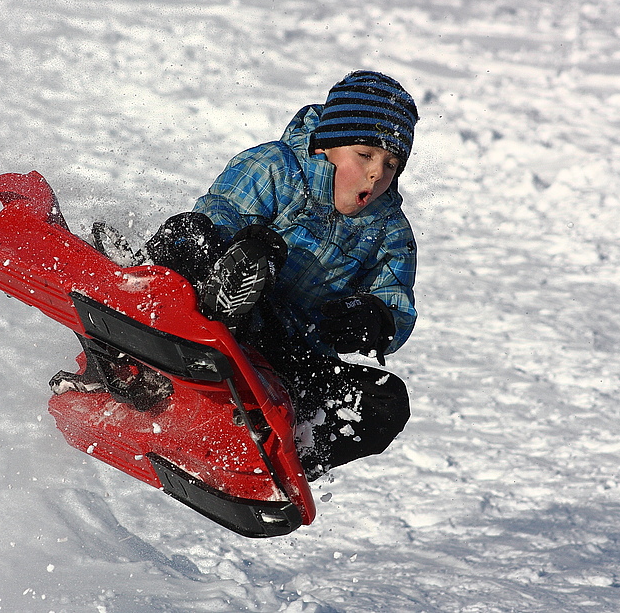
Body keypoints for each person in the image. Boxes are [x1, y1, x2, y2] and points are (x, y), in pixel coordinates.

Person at [109, 71, 418, 481]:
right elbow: (220, 213)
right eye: (364, 155)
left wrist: (373, 318)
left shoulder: (389, 230)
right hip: (212, 304)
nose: (376, 174)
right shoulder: (275, 166)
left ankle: (282, 456)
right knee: (192, 233)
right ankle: (139, 327)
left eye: (391, 164)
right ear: (327, 145)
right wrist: (243, 246)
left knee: (385, 402)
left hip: (286, 355)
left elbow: (397, 301)